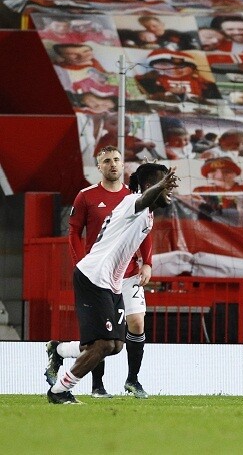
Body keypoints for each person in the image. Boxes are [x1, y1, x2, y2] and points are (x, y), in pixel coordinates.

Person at [45, 163, 177, 404]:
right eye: (164, 185)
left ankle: (59, 350)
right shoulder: (131, 202)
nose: (169, 190)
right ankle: (59, 391)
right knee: (103, 344)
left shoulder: (146, 214)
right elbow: (142, 198)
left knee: (115, 345)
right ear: (151, 186)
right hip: (94, 277)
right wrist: (157, 186)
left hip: (112, 284)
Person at [136, 49, 222, 102]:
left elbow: (216, 100)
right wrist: (168, 93)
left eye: (182, 66)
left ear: (192, 68)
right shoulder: (149, 80)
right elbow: (141, 96)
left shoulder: (202, 83)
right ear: (154, 66)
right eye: (165, 64)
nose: (174, 69)